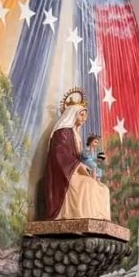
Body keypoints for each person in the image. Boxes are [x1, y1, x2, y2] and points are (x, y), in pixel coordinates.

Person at [42, 89, 111, 221]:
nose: (84, 119)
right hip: (64, 175)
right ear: (72, 114)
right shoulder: (62, 132)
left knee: (103, 189)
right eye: (82, 115)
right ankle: (80, 216)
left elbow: (81, 157)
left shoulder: (76, 135)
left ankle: (98, 217)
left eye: (85, 116)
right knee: (88, 185)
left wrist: (90, 166)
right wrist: (79, 166)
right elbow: (59, 154)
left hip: (74, 171)